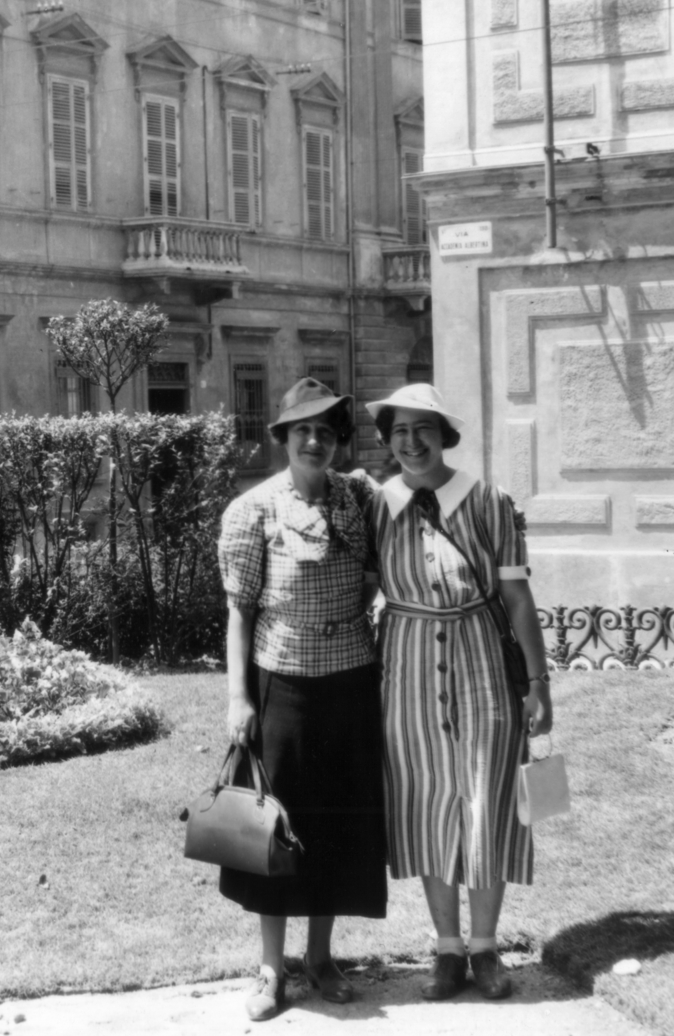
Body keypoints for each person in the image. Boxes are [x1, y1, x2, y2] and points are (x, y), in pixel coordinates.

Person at [364, 383, 554, 1003]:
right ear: (388, 442)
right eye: (399, 432)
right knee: (427, 802)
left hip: (479, 660)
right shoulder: (379, 503)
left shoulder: (487, 500)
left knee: (487, 800)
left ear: (444, 434)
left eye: (423, 430)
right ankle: (446, 951)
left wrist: (538, 681)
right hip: (408, 664)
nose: (411, 443)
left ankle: (485, 947)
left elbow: (518, 597)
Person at [217, 378, 387, 1022]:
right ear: (284, 438)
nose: (315, 441)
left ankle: (320, 958)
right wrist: (239, 698)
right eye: (303, 431)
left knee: (338, 825)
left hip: (349, 684)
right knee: (277, 829)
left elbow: (387, 555)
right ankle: (270, 971)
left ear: (339, 442)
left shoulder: (356, 500)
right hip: (281, 685)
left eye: (327, 432)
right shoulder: (253, 510)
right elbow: (239, 612)